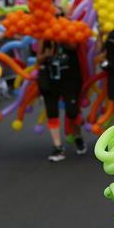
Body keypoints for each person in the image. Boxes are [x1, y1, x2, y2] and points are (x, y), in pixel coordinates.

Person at [36, 9, 86, 162]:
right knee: (52, 112)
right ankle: (58, 146)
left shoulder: (70, 31)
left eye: (59, 16)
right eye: (53, 16)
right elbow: (39, 58)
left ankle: (77, 135)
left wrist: (60, 36)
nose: (56, 19)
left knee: (72, 112)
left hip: (70, 78)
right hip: (50, 79)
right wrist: (46, 55)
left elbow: (73, 46)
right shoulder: (45, 36)